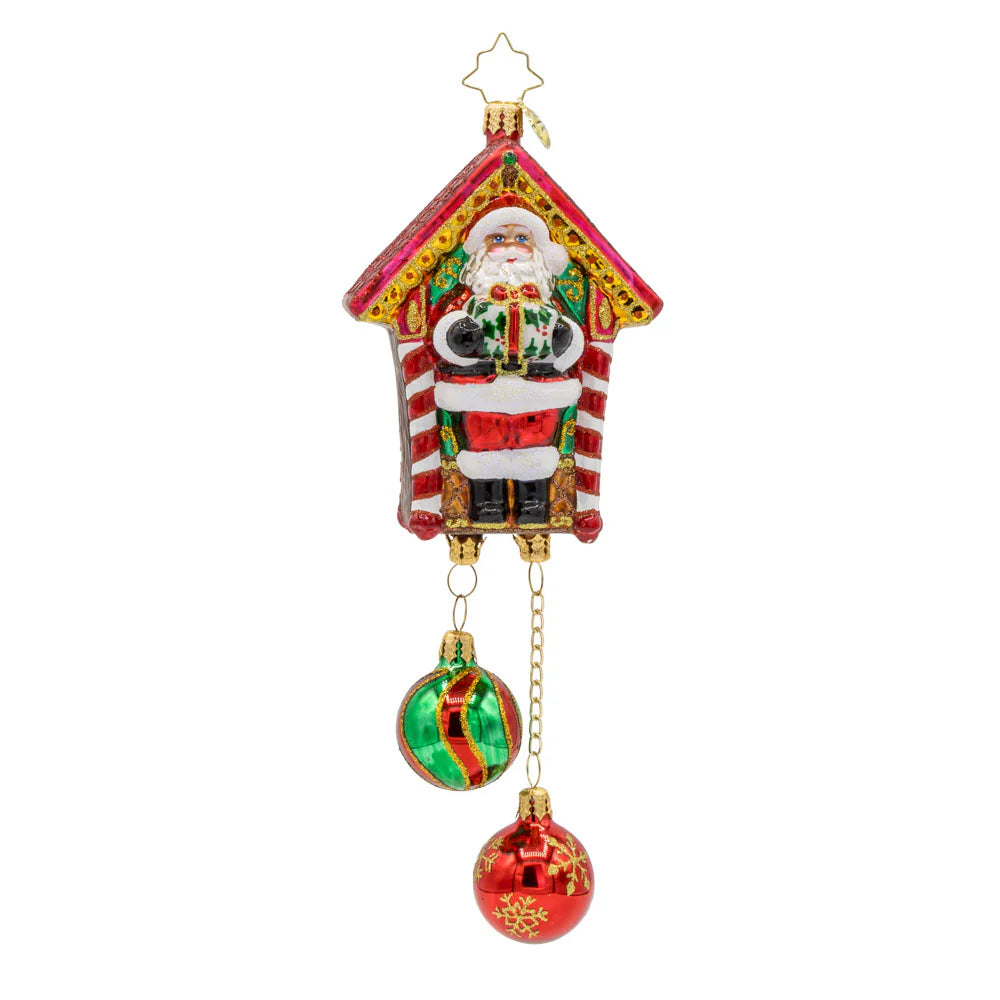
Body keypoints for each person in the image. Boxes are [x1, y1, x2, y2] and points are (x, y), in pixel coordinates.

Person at [432, 207, 585, 526]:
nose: (511, 247)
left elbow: (567, 339)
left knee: (535, 443)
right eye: (499, 238)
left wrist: (563, 338)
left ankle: (534, 501)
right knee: (484, 443)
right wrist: (461, 337)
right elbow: (449, 334)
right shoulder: (474, 304)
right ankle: (486, 501)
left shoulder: (546, 306)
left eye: (522, 238)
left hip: (537, 390)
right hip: (483, 390)